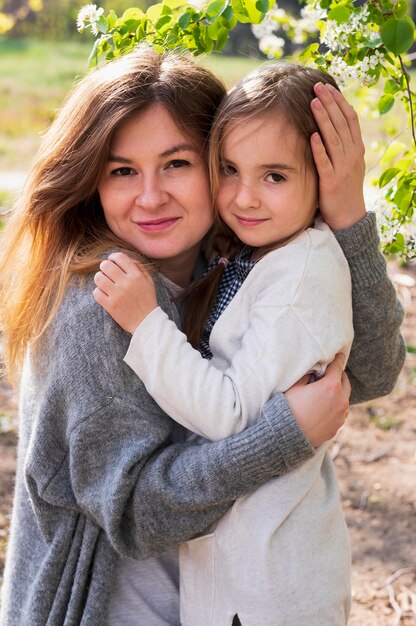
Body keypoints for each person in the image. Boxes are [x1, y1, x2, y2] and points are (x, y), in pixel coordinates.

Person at [0, 47, 404, 626]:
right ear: (92, 182)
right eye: (122, 171)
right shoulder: (97, 306)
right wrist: (281, 437)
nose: (150, 196)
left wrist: (345, 220)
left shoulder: (235, 265)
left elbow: (367, 373)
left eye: (177, 163)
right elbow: (137, 516)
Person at [93, 64, 353, 625]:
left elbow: (230, 416)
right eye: (229, 170)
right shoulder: (254, 252)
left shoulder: (298, 281)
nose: (244, 197)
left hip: (264, 588)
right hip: (245, 569)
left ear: (321, 177)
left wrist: (146, 324)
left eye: (275, 176)